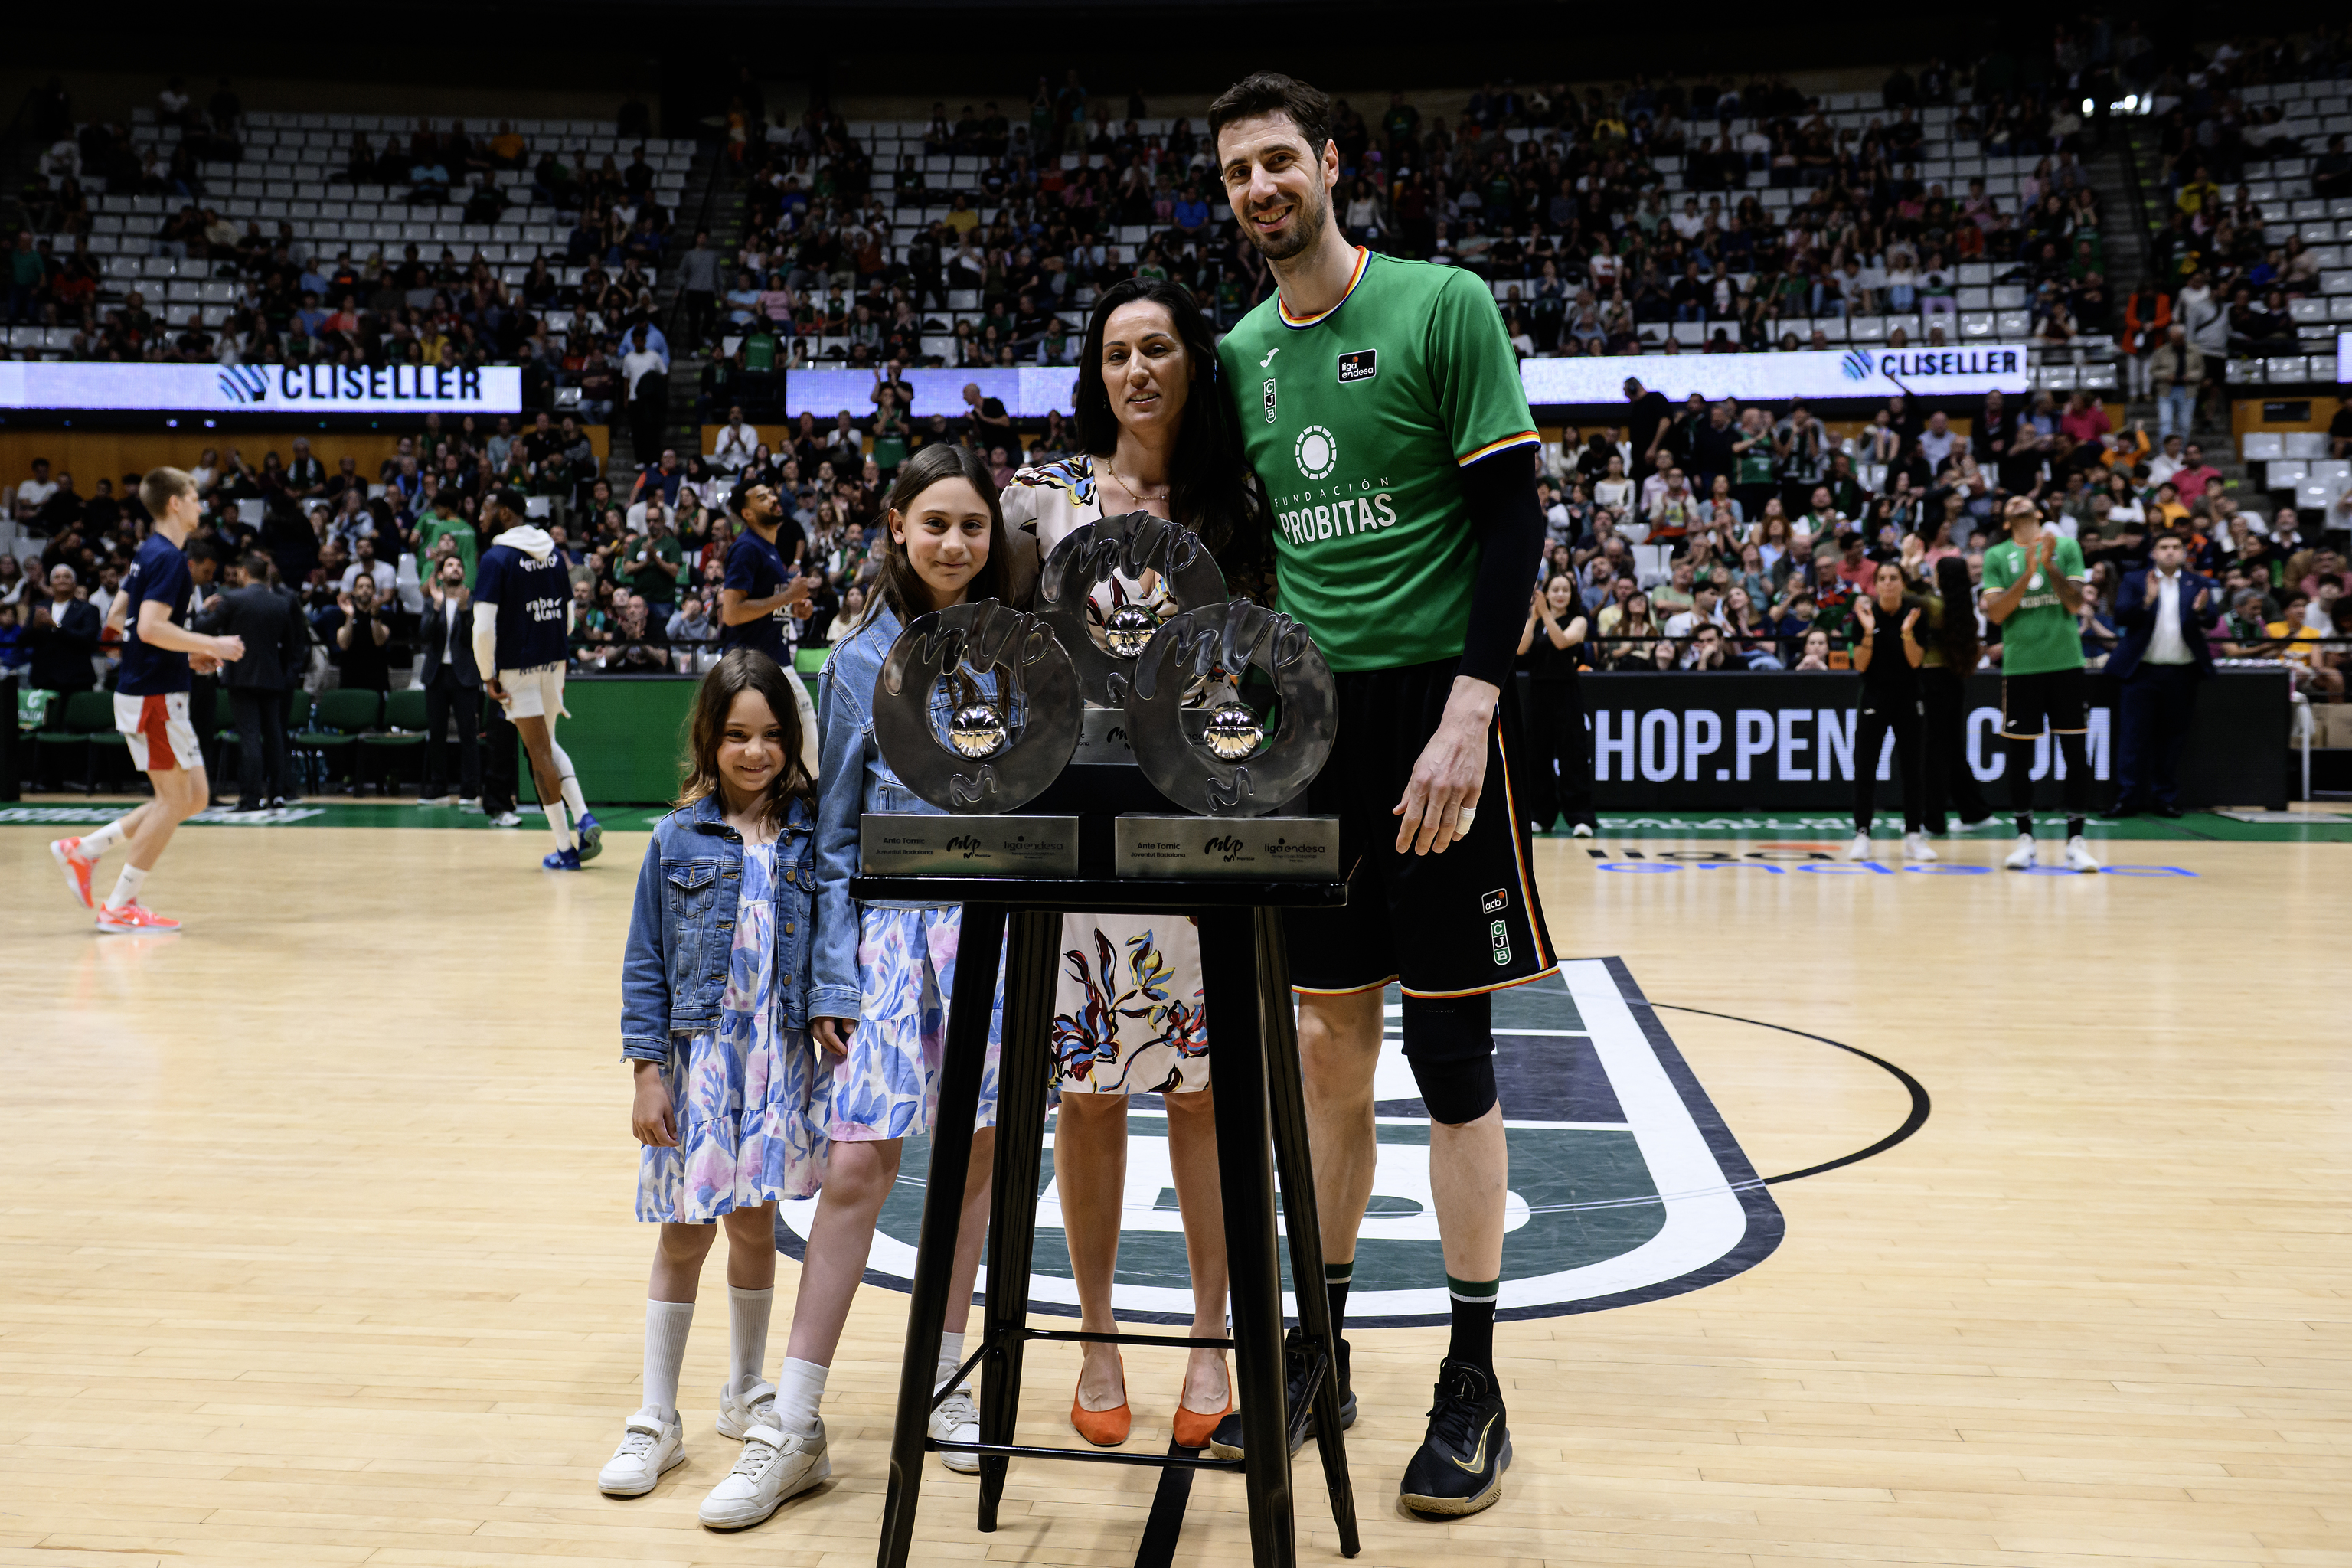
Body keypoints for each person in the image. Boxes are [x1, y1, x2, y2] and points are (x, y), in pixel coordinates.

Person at [1210, 71, 1555, 1518]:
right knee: (1325, 1053)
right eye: (1236, 173)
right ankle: (1321, 1349)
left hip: (1435, 716)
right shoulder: (1234, 353)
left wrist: (1473, 710)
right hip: (1311, 730)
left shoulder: (1440, 304)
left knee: (1453, 1063)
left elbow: (1515, 514)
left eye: (1278, 160)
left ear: (1331, 164)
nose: (1259, 188)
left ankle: (1472, 1378)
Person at [999, 275, 1261, 1446]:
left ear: (1191, 362)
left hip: (1206, 824)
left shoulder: (1238, 498)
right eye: (1116, 353)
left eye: (1158, 348)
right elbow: (978, 632)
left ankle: (1213, 1337)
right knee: (1090, 1090)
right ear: (1094, 372)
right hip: (1084, 824)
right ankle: (1098, 1333)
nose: (1137, 370)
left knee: (1205, 1098)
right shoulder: (1042, 497)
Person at [801, 444, 1017, 1513]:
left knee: (973, 1169)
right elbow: (833, 833)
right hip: (885, 935)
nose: (953, 544)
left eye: (971, 526)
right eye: (934, 523)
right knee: (858, 1166)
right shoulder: (854, 660)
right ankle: (797, 1413)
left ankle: (943, 1383)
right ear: (896, 526)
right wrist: (830, 975)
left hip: (989, 939)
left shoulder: (1019, 651)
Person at [605, 649, 827, 1529]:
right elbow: (646, 962)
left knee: (755, 1225)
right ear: (709, 735)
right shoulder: (676, 836)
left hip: (777, 1064)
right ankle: (657, 1416)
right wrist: (648, 1072)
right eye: (737, 734)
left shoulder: (811, 830)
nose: (755, 751)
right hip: (701, 1066)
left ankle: (746, 1389)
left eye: (772, 735)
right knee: (683, 1233)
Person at [47, 468, 246, 933]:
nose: (201, 505)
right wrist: (211, 645)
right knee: (174, 801)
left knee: (193, 797)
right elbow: (152, 626)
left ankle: (87, 849)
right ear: (175, 503)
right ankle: (119, 904)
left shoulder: (149, 553)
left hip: (156, 687)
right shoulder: (171, 560)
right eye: (195, 497)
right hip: (153, 696)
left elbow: (119, 620)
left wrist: (182, 656)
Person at [473, 488, 605, 869]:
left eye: (486, 508)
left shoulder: (496, 559)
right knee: (546, 744)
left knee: (538, 754)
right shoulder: (552, 554)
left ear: (505, 514)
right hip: (554, 660)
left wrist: (487, 674)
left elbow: (483, 628)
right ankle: (583, 816)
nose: (480, 515)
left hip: (517, 667)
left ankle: (565, 849)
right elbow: (568, 614)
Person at [1981, 496, 2099, 871]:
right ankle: (2025, 839)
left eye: (2024, 498)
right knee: (2019, 756)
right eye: (2010, 501)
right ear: (2005, 520)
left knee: (2075, 753)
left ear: (2039, 512)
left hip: (2065, 664)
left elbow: (2075, 604)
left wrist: (2047, 565)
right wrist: (2027, 570)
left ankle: (2076, 841)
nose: (2016, 500)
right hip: (2020, 668)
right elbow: (1997, 612)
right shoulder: (1997, 555)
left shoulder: (2065, 546)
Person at [2105, 529, 2216, 818]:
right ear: (2153, 553)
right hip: (2141, 672)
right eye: (2164, 547)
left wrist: (2202, 612)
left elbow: (2212, 618)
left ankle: (2164, 797)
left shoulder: (2198, 582)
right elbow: (2120, 616)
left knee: (2172, 739)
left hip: (2181, 673)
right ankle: (2126, 798)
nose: (2170, 552)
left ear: (2183, 553)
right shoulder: (2135, 580)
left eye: (2175, 547)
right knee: (2132, 737)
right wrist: (2145, 601)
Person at [195, 552, 307, 813]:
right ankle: (277, 794)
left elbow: (204, 628)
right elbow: (294, 645)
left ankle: (250, 797)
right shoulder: (281, 602)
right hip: (273, 678)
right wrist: (287, 674)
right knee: (274, 736)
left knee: (249, 738)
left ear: (244, 573)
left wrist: (202, 610)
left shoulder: (232, 599)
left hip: (241, 677)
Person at [1847, 561, 1935, 863]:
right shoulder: (1864, 615)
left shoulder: (1915, 613)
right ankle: (1862, 834)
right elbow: (1859, 664)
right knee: (1865, 766)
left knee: (1913, 768)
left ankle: (1913, 836)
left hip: (1909, 696)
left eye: (1893, 578)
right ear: (1875, 583)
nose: (1887, 583)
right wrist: (1869, 632)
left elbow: (1915, 662)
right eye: (1882, 578)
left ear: (1902, 582)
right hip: (1875, 694)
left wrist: (1907, 633)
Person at [1920, 554, 1993, 835]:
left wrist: (1911, 563)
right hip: (1952, 682)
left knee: (1934, 752)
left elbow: (1905, 596)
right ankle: (1975, 811)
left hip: (1933, 681)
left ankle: (1933, 820)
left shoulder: (1937, 607)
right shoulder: (1965, 608)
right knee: (1949, 748)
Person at [1518, 573, 1593, 836]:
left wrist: (1545, 614)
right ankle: (1541, 815)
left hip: (1566, 692)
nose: (1560, 594)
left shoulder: (1579, 620)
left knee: (1572, 754)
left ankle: (1580, 817)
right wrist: (1534, 617)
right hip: (1538, 693)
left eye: (1565, 590)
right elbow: (1519, 649)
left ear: (1571, 595)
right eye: (1555, 589)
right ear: (1546, 593)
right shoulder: (1537, 621)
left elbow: (1561, 641)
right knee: (1536, 756)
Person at [417, 554, 482, 805]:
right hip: (436, 674)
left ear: (464, 574)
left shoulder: (474, 602)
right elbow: (425, 635)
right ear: (441, 575)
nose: (455, 569)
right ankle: (439, 787)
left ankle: (469, 789)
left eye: (459, 565)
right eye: (449, 566)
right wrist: (435, 608)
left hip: (465, 675)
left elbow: (471, 640)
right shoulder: (431, 601)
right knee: (437, 733)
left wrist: (465, 613)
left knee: (468, 733)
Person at [24, 563, 101, 697]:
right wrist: (35, 627)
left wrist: (56, 626)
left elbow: (87, 640)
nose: (62, 580)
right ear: (51, 583)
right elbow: (23, 641)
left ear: (75, 583)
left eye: (67, 577)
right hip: (43, 679)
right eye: (57, 577)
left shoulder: (88, 609)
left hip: (76, 680)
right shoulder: (39, 607)